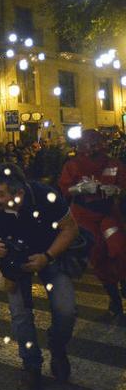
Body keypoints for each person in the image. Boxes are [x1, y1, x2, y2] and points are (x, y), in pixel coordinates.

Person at [0, 163, 79, 390]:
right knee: (20, 315)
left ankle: (58, 348)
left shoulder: (46, 196)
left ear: (18, 193)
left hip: (50, 254)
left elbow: (70, 229)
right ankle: (31, 366)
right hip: (14, 261)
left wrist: (47, 256)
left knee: (66, 310)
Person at [57, 129, 126, 319]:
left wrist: (117, 191)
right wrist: (78, 189)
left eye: (94, 145)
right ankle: (114, 297)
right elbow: (63, 189)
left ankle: (123, 281)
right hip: (84, 217)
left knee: (118, 247)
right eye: (88, 146)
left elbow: (124, 187)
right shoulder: (72, 165)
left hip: (108, 214)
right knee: (98, 256)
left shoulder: (114, 164)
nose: (91, 150)